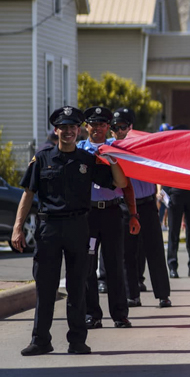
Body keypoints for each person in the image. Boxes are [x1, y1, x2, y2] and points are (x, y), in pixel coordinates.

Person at [12, 106, 129, 356]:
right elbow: (28, 193)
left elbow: (119, 182)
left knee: (78, 286)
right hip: (49, 228)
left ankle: (77, 341)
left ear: (78, 130)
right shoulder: (42, 159)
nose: (68, 131)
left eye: (72, 127)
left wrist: (113, 160)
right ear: (56, 130)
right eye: (63, 127)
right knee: (45, 286)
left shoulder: (87, 161)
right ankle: (40, 340)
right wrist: (17, 228)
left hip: (78, 227)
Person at [79, 106, 140, 330]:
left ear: (108, 127)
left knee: (114, 265)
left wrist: (133, 215)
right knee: (88, 265)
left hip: (113, 212)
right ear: (86, 126)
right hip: (89, 215)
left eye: (102, 124)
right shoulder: (79, 150)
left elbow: (128, 185)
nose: (97, 128)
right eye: (93, 124)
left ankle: (120, 314)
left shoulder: (116, 149)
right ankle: (92, 314)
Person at [111, 108, 172, 309]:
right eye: (115, 128)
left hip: (146, 204)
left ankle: (163, 294)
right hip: (124, 207)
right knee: (128, 252)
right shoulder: (110, 149)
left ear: (131, 127)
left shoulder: (143, 146)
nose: (119, 131)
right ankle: (132, 295)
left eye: (122, 127)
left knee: (154, 249)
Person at [163, 126, 190, 278]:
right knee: (173, 232)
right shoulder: (172, 151)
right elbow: (165, 172)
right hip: (176, 194)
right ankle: (172, 266)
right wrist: (165, 193)